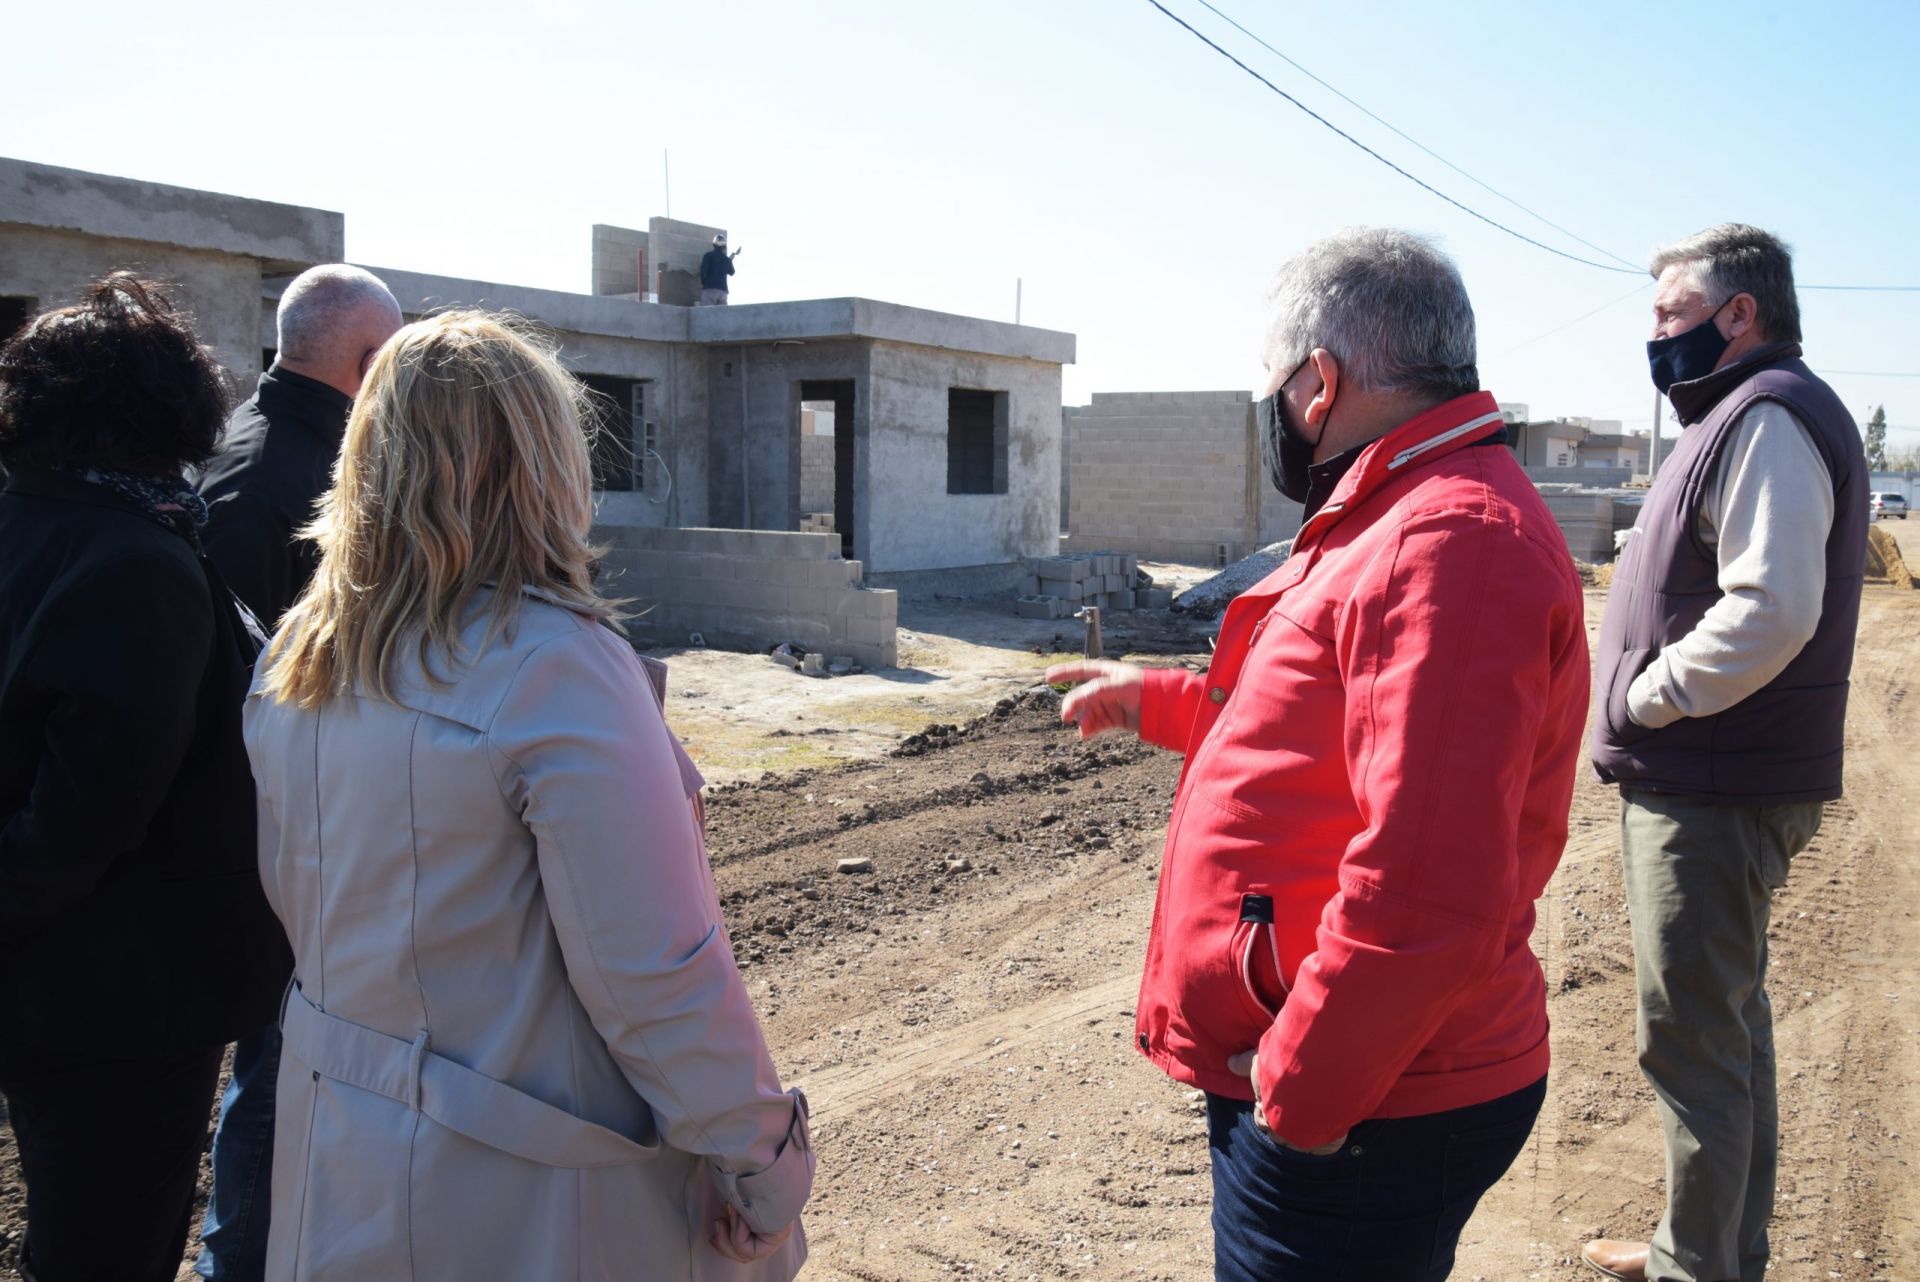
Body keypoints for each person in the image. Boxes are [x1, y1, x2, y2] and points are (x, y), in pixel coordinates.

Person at [1049, 228, 1590, 1281]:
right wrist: (1156, 700)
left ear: (1318, 383)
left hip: (1370, 1103)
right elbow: (1325, 728)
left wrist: (1300, 1090)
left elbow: (1431, 889)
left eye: (1272, 385)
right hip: (1361, 1083)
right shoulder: (1398, 512)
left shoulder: (1450, 540)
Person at [245, 310, 813, 1278]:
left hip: (337, 1164)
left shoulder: (299, 657)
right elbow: (654, 972)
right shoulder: (556, 665)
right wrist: (763, 1162)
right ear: (546, 464)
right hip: (530, 1196)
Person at [1582, 226, 1867, 1282]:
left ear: (1739, 314)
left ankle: (1698, 1266)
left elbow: (1772, 607)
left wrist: (1647, 697)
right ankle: (1706, 1248)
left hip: (1714, 781)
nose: (1656, 333)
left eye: (1673, 312)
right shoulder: (1743, 414)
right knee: (1725, 1028)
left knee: (1696, 1039)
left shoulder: (1767, 416)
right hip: (1716, 775)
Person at [0, 274, 291, 1282]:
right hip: (119, 1001)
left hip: (58, 986)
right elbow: (89, 810)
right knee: (107, 1246)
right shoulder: (132, 559)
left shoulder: (40, 521)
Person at [186, 263, 402, 1282]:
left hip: (305, 827)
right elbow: (239, 691)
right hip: (284, 841)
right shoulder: (272, 478)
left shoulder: (275, 449)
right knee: (277, 1073)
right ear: (366, 359)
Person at [699, 232, 740, 305]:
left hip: (710, 289)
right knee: (721, 312)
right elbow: (732, 272)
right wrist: (730, 260)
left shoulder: (708, 255)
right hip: (723, 291)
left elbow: (703, 271)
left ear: (714, 244)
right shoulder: (726, 259)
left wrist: (702, 283)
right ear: (724, 246)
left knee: (707, 311)